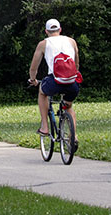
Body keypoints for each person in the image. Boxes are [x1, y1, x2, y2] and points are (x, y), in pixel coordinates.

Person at [28, 19, 81, 150]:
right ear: (60, 29)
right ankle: (73, 137)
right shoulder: (71, 41)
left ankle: (45, 127)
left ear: (46, 31)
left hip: (54, 81)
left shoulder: (43, 44)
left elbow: (34, 67)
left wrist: (33, 79)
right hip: (71, 82)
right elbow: (77, 63)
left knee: (42, 91)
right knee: (68, 106)